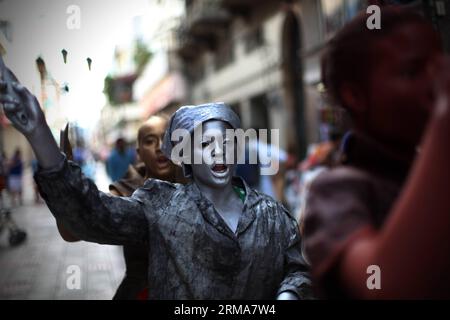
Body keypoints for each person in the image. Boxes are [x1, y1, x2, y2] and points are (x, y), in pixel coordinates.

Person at [0, 62, 312, 299]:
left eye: (227, 143)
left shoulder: (272, 214)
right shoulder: (159, 207)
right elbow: (92, 215)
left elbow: (297, 270)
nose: (219, 152)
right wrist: (39, 135)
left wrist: (287, 295)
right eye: (205, 145)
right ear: (186, 154)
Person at [303, 7, 450, 298]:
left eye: (438, 69)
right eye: (412, 72)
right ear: (355, 96)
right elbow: (383, 284)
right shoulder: (335, 191)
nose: (433, 86)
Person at [58, 115, 185, 300]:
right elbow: (72, 231)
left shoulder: (196, 183)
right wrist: (63, 180)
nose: (160, 147)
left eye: (167, 139)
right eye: (150, 141)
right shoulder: (127, 192)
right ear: (139, 153)